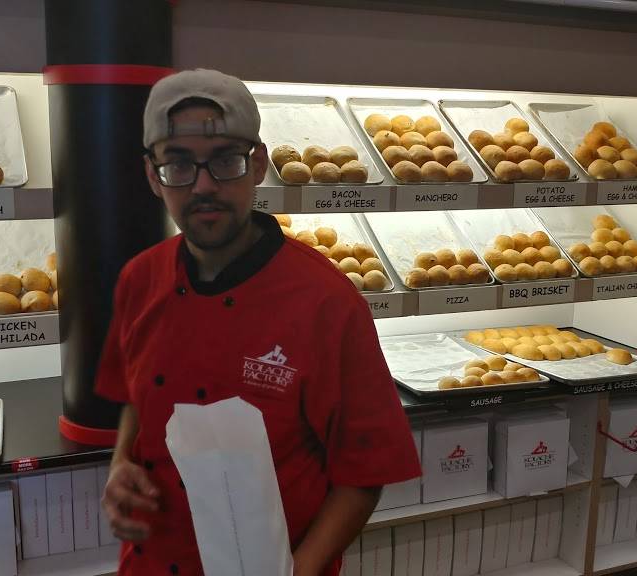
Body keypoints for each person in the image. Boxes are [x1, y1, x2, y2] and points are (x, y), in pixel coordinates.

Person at [95, 69, 421, 576]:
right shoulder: (139, 280)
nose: (204, 185)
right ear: (152, 176)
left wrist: (300, 570)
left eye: (226, 160)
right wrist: (121, 463)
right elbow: (136, 395)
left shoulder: (327, 302)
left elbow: (363, 475)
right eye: (178, 164)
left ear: (260, 165)